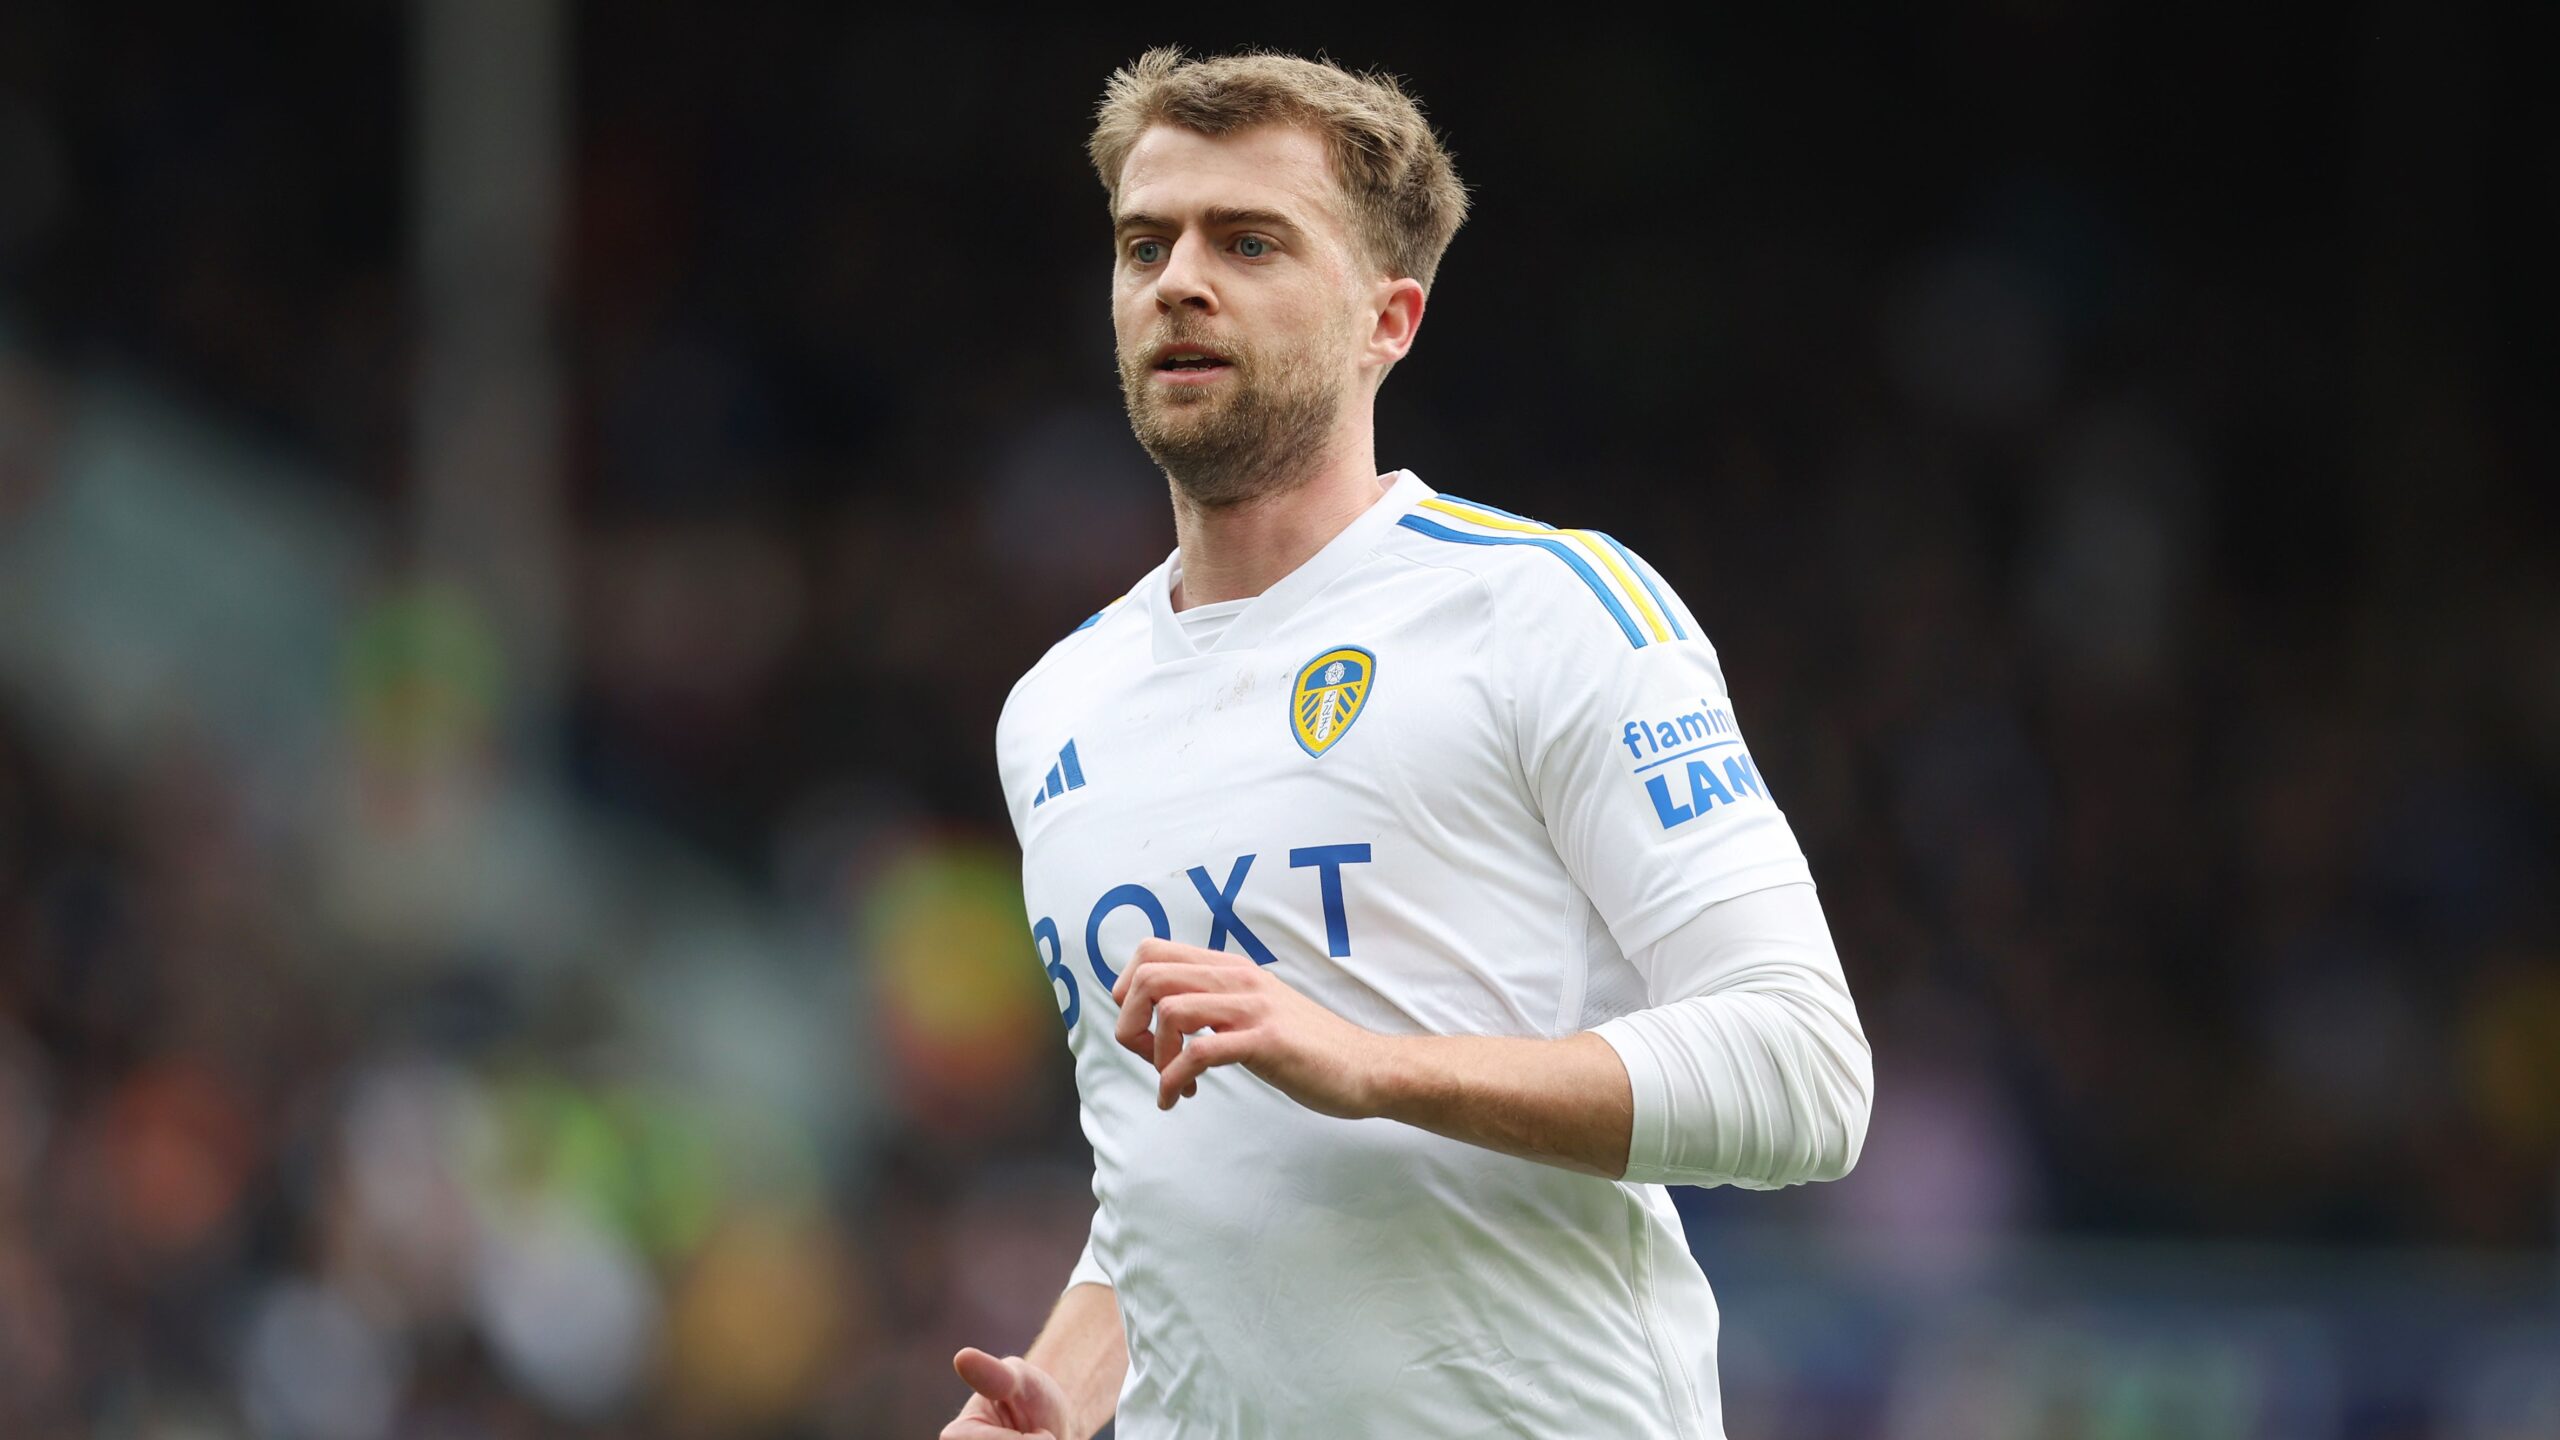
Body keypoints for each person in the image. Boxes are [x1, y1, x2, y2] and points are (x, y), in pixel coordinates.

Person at [948, 48, 1873, 1440]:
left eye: (1249, 241)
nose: (1179, 281)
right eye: (1147, 244)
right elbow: (1182, 1173)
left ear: (1390, 318)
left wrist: (1374, 1064)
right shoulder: (1055, 709)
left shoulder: (1547, 609)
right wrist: (1063, 1395)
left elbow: (1805, 1074)